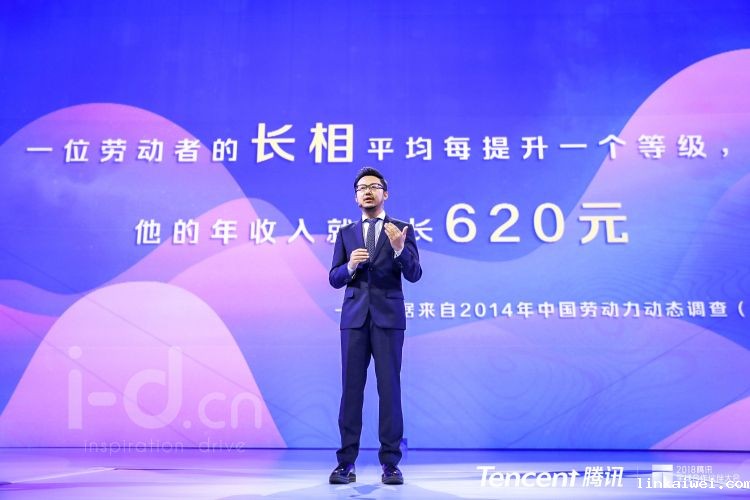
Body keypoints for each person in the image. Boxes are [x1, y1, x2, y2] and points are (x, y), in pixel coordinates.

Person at [328, 167, 422, 486]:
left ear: (385, 193)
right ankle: (345, 463)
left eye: (374, 186)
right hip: (354, 320)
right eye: (361, 188)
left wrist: (399, 249)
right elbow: (334, 278)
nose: (367, 191)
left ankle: (391, 463)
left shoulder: (401, 229)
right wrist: (350, 266)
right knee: (351, 391)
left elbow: (415, 274)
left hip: (388, 320)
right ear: (356, 197)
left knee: (389, 389)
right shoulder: (346, 233)